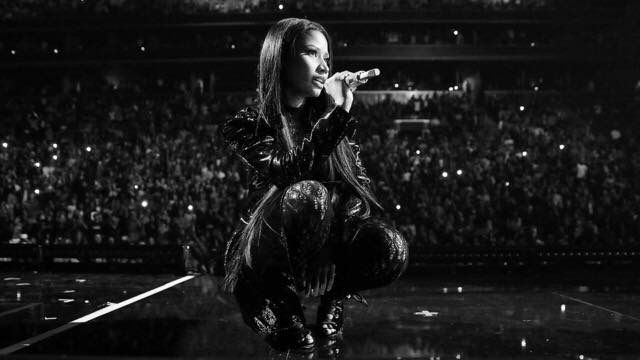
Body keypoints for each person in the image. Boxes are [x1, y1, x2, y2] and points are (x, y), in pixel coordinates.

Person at [219, 17, 409, 352]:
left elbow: (359, 191)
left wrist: (330, 250)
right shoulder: (246, 125)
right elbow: (290, 173)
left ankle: (334, 297)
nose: (324, 67)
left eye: (327, 58)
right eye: (311, 54)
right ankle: (277, 301)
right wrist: (335, 114)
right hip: (268, 254)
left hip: (323, 239)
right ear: (281, 60)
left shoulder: (328, 119)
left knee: (391, 245)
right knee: (309, 193)